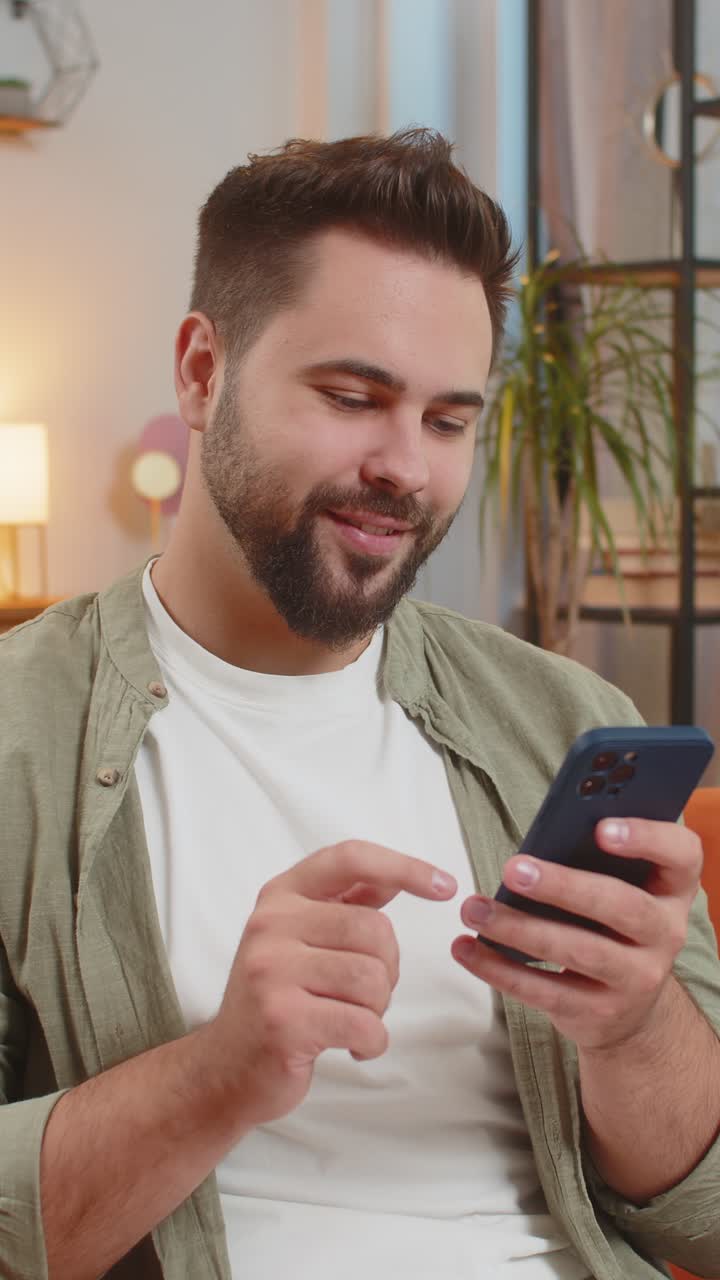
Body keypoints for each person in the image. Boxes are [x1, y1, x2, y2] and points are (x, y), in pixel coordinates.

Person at [1, 129, 719, 1280]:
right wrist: (222, 1070)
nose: (407, 468)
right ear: (202, 371)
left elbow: (708, 1221)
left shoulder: (561, 719)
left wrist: (634, 1027)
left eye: (448, 421)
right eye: (352, 396)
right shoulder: (21, 734)